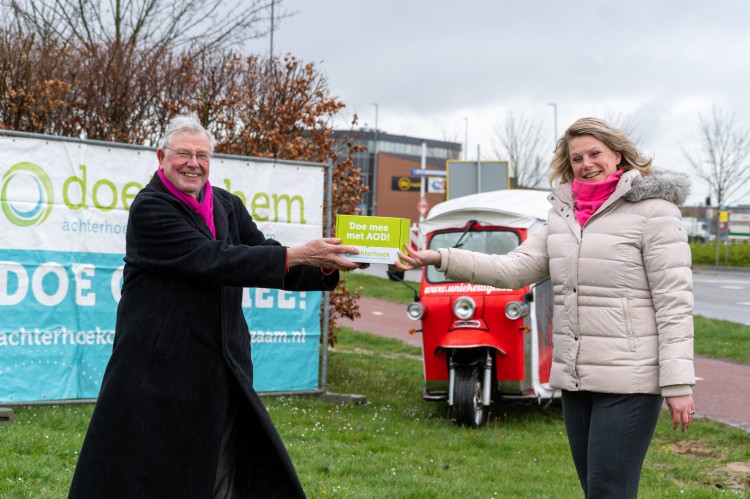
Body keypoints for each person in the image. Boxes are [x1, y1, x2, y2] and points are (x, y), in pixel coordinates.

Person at [396, 117, 696, 498]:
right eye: (576, 158)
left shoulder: (654, 212)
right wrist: (438, 257)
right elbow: (512, 269)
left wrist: (677, 382)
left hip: (630, 382)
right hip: (576, 381)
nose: (586, 164)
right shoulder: (563, 216)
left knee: (609, 491)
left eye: (594, 153)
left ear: (617, 155)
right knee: (595, 490)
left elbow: (674, 303)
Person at [69, 114, 365, 498]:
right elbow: (213, 259)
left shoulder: (226, 204)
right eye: (184, 154)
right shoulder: (149, 209)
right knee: (154, 475)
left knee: (221, 471)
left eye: (203, 156)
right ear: (161, 157)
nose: (194, 163)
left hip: (221, 367)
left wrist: (323, 265)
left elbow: (262, 255)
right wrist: (297, 255)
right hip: (159, 374)